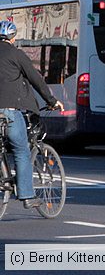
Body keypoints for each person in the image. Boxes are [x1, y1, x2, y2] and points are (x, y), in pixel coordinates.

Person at [0, 20, 63, 209]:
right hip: (9, 110)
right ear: (13, 37)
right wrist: (51, 101)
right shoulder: (16, 54)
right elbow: (35, 79)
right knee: (21, 150)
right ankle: (27, 196)